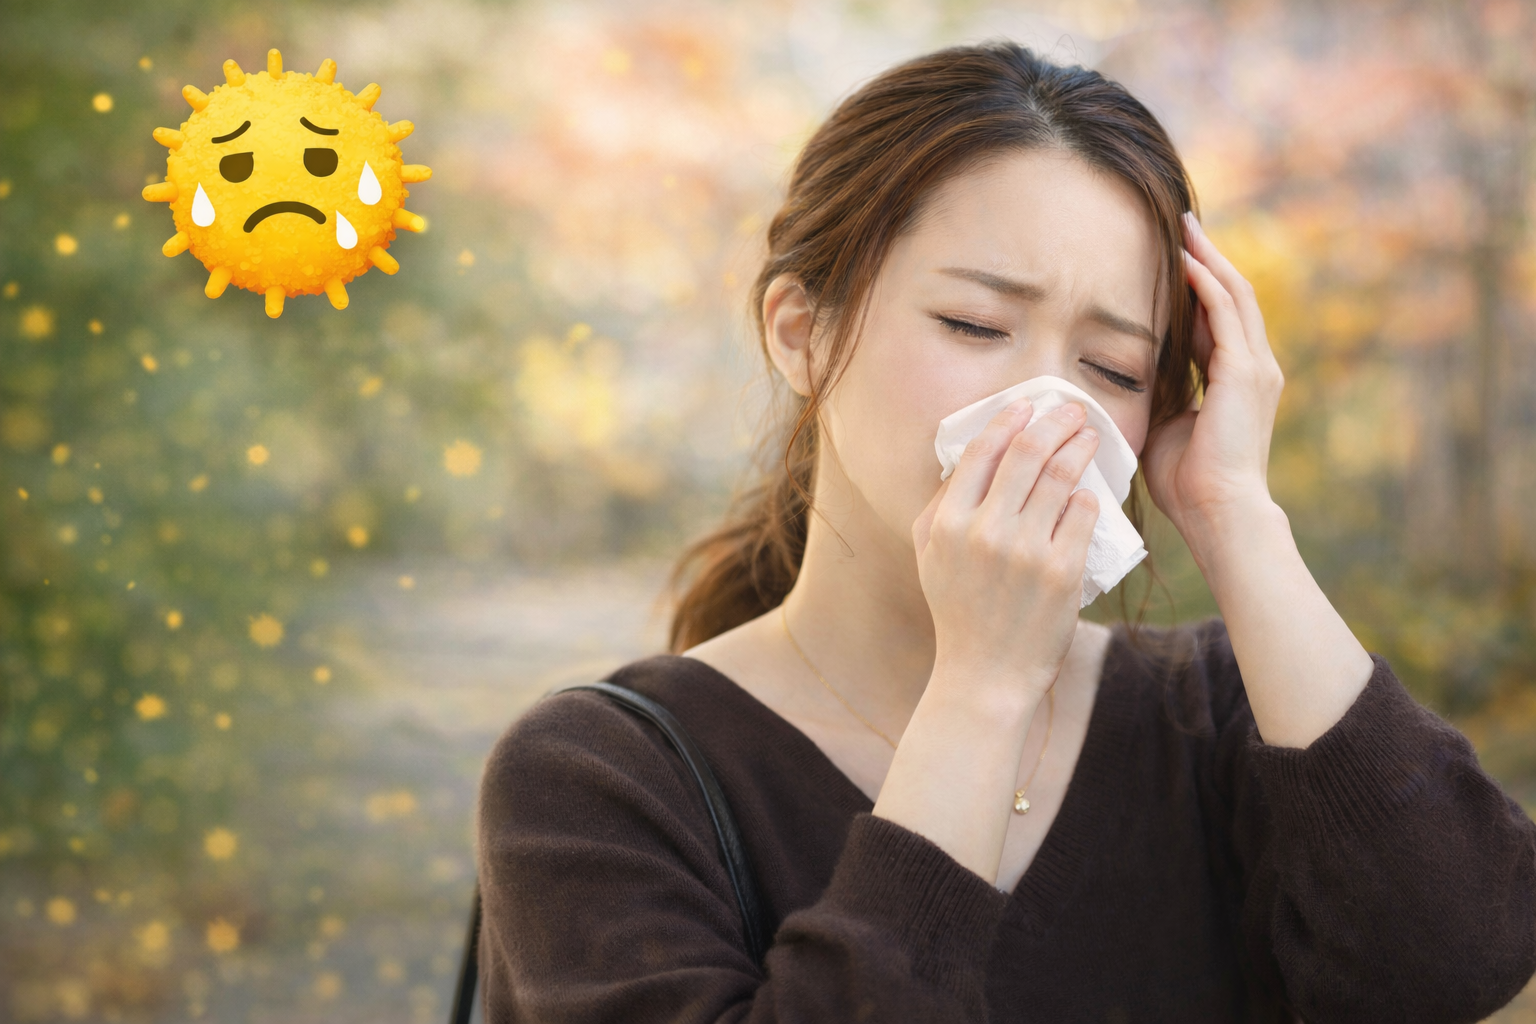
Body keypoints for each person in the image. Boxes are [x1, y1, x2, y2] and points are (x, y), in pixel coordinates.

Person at [475, 41, 1536, 1022]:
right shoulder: (597, 776)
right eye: (976, 326)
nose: (1042, 405)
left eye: (1112, 370)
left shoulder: (1225, 715)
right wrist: (981, 688)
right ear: (803, 333)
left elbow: (1457, 960)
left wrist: (1237, 519)